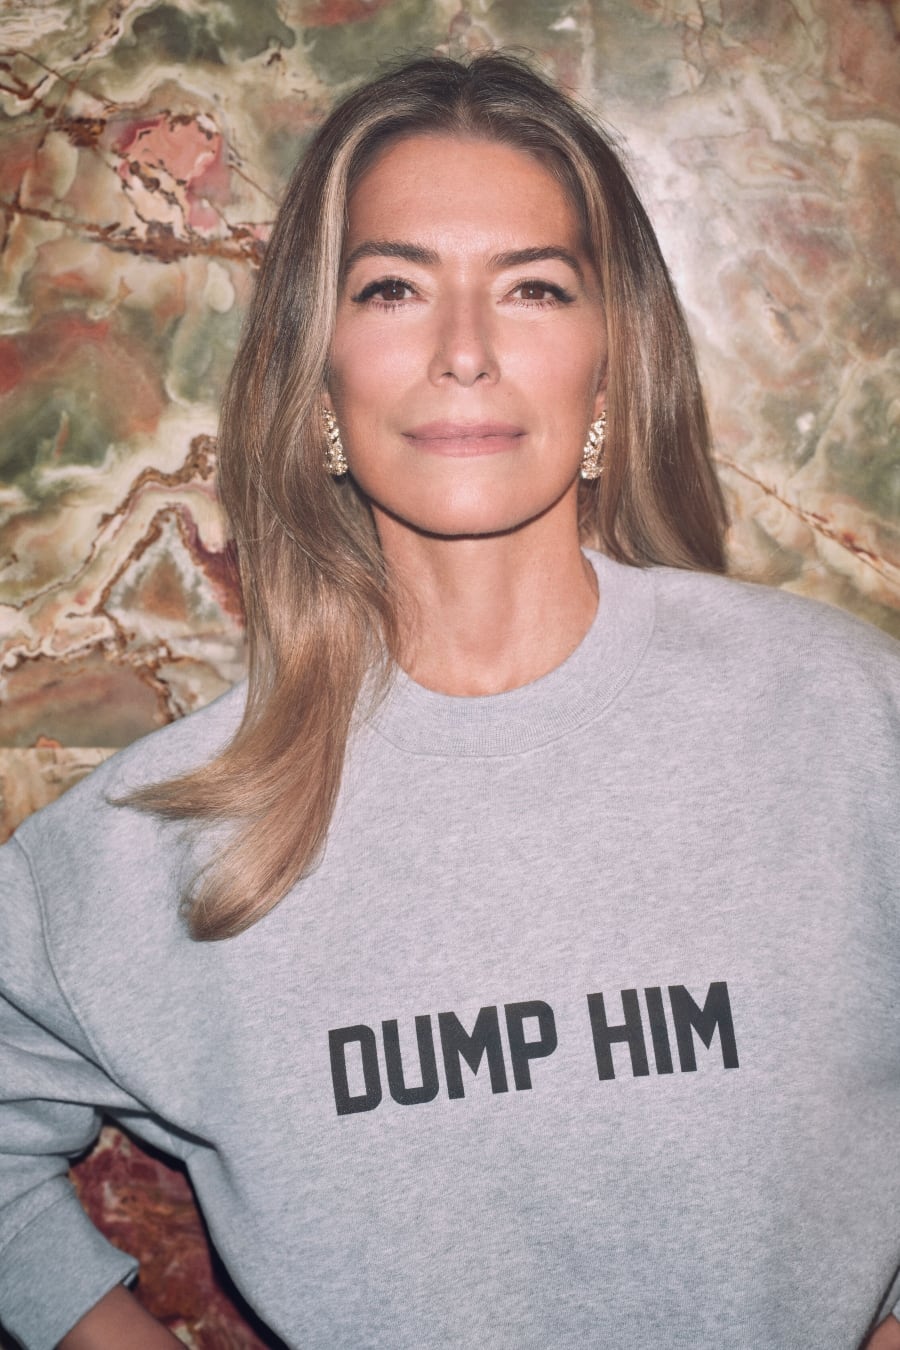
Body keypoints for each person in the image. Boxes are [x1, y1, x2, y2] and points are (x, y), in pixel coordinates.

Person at [1, 50, 899, 1350]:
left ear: (610, 363)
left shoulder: (842, 720)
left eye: (533, 287)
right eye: (394, 288)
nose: (465, 352)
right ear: (319, 374)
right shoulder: (179, 826)